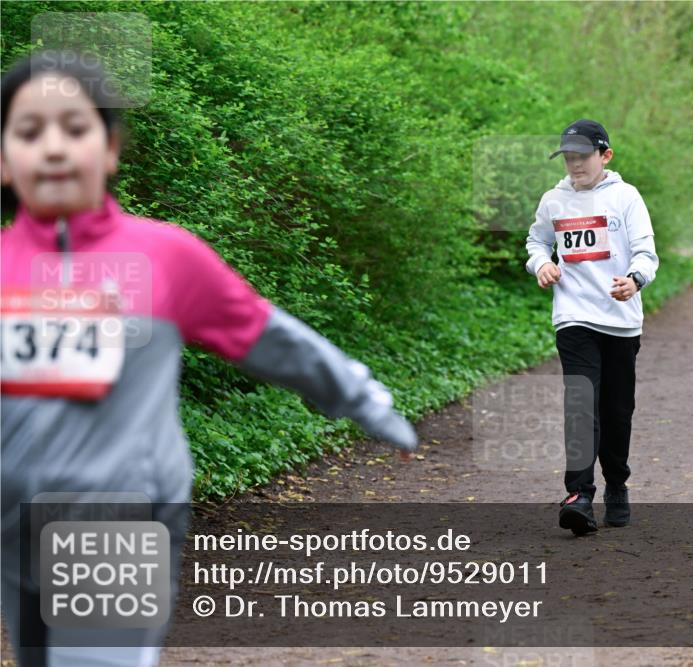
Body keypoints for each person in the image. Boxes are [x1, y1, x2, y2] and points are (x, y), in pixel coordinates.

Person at [0, 51, 417, 666]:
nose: (55, 148)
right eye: (30, 133)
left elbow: (267, 335)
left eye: (76, 128)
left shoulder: (165, 258)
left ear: (111, 148)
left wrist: (358, 396)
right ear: (5, 160)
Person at [525, 119, 658, 536]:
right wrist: (542, 263)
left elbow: (646, 253)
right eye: (568, 157)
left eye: (582, 157)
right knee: (581, 404)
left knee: (617, 413)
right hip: (574, 317)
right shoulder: (554, 200)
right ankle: (579, 495)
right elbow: (535, 241)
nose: (575, 165)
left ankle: (617, 484)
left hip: (620, 321)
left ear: (605, 155)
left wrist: (634, 279)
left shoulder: (626, 197)